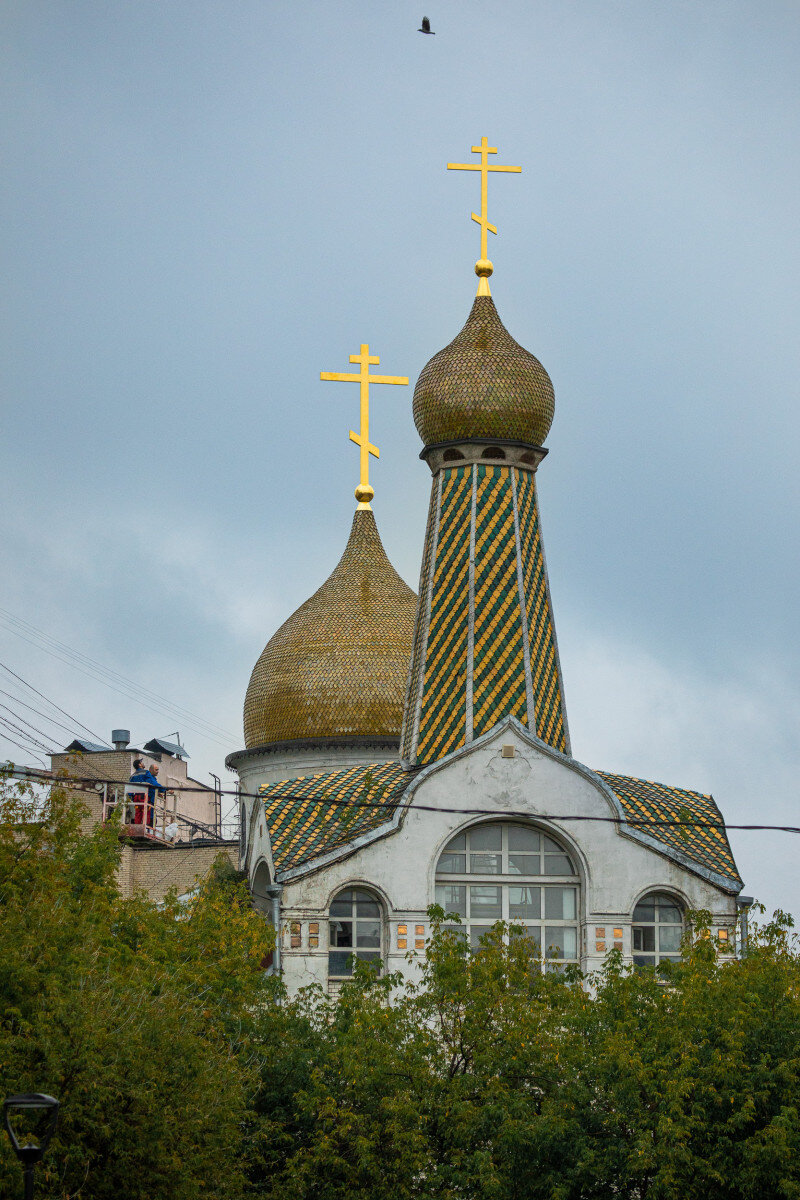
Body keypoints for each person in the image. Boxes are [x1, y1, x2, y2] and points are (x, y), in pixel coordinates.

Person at [129, 758, 166, 829]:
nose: (143, 763)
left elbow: (130, 789)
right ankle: (147, 829)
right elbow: (153, 783)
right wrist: (164, 789)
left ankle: (137, 829)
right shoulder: (146, 773)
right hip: (145, 797)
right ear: (139, 764)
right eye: (141, 762)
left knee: (138, 814)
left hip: (137, 798)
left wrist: (133, 797)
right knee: (147, 814)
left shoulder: (132, 776)